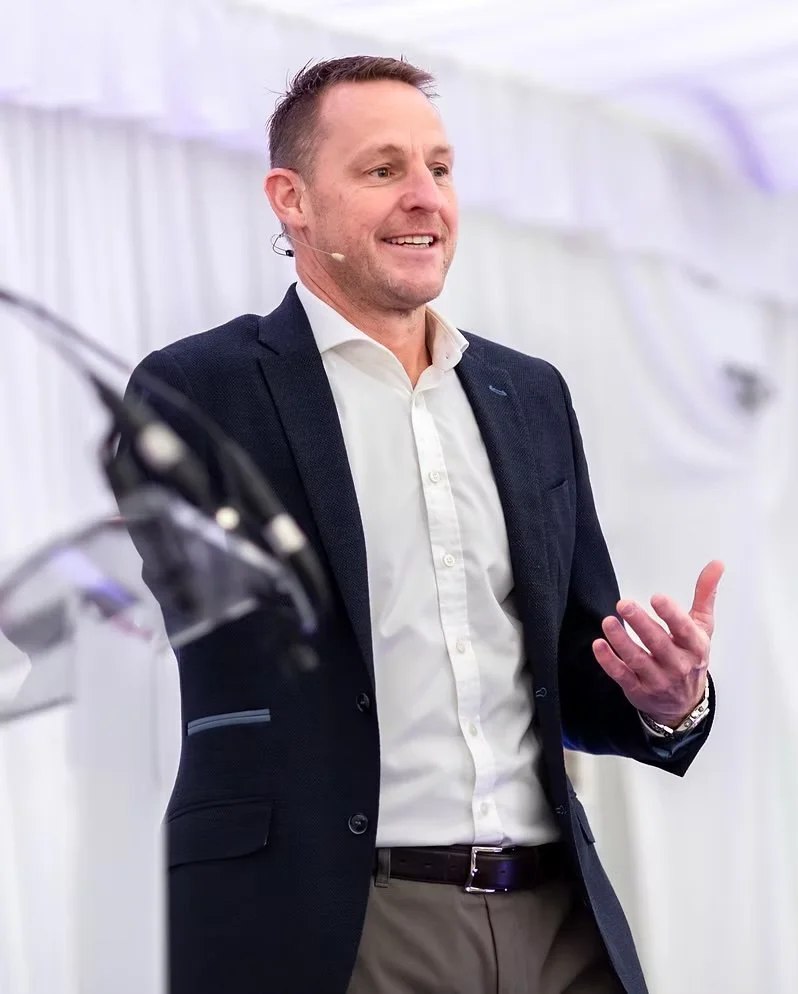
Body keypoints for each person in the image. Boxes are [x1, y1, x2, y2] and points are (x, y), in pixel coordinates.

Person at [126, 56, 721, 994]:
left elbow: (572, 660)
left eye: (439, 170)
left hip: (558, 915)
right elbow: (222, 619)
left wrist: (664, 697)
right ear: (292, 199)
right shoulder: (201, 391)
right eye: (382, 170)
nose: (424, 198)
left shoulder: (529, 395)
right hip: (340, 918)